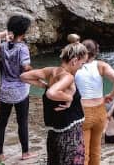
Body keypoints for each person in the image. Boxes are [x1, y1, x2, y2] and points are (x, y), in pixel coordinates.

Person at [21, 36, 89, 164]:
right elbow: (52, 94)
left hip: (54, 133)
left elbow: (24, 76)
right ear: (74, 61)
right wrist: (69, 98)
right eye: (82, 63)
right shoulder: (67, 77)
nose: (82, 67)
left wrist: (45, 86)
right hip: (70, 135)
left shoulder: (51, 71)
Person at [0, 15, 36, 163]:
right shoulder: (22, 48)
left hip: (5, 91)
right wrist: (34, 71)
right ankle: (25, 153)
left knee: (1, 122)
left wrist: (8, 32)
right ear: (23, 34)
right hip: (20, 91)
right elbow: (25, 67)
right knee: (22, 122)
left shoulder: (3, 47)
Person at [75, 39, 114, 165]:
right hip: (99, 111)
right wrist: (112, 96)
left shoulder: (75, 65)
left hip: (83, 111)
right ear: (96, 52)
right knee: (96, 150)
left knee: (83, 151)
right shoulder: (100, 65)